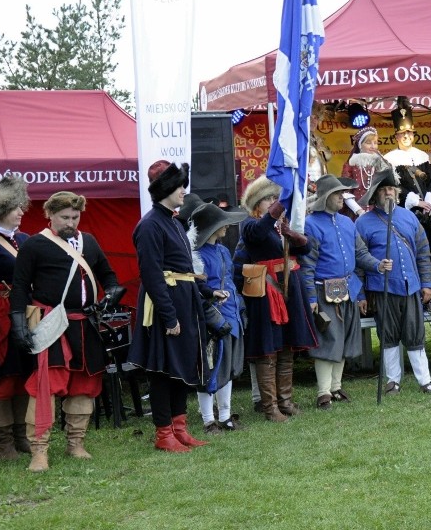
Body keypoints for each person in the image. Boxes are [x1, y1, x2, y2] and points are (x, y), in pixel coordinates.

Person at [9, 191, 121, 471]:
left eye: (75, 216)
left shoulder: (90, 242)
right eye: (64, 217)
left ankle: (76, 443)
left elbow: (109, 276)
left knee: (84, 385)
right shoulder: (34, 245)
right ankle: (39, 450)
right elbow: (20, 287)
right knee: (45, 385)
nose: (70, 222)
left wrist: (113, 293)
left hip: (84, 323)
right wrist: (19, 323)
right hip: (51, 323)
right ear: (50, 215)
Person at [128, 161, 218, 453]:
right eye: (179, 186)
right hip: (164, 306)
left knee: (182, 366)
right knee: (162, 371)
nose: (184, 190)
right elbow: (152, 274)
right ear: (166, 188)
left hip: (184, 301)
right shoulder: (150, 225)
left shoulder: (173, 221)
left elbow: (185, 269)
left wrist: (206, 291)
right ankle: (163, 434)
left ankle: (179, 429)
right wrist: (168, 317)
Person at [300, 175, 390, 410]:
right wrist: (311, 298)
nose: (343, 197)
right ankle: (323, 392)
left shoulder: (348, 223)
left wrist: (378, 265)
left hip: (348, 289)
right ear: (326, 197)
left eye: (343, 193)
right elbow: (307, 266)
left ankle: (336, 388)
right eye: (338, 194)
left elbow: (360, 253)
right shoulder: (311, 224)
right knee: (327, 340)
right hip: (323, 291)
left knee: (343, 340)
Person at [234, 176, 318, 422]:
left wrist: (291, 233)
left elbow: (305, 249)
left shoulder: (279, 226)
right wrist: (283, 202)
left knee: (286, 349)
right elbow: (259, 232)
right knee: (268, 351)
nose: (274, 203)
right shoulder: (250, 226)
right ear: (256, 204)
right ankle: (269, 406)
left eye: (275, 198)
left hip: (289, 291)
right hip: (266, 293)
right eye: (269, 199)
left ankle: (286, 401)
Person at [355, 169, 431, 395]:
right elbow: (358, 262)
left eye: (391, 188)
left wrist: (426, 283)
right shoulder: (363, 223)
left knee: (415, 334)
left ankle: (426, 382)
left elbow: (422, 251)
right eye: (383, 190)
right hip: (382, 289)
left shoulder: (409, 216)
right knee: (389, 334)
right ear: (375, 195)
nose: (388, 193)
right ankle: (393, 381)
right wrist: (361, 295)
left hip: (410, 286)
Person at [189, 201, 248, 433]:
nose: (227, 227)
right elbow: (196, 288)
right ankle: (207, 419)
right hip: (209, 317)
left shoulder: (223, 251)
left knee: (228, 367)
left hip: (231, 315)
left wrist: (238, 306)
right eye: (222, 223)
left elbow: (230, 280)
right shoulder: (195, 255)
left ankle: (224, 416)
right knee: (209, 368)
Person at [0, 176, 32, 461]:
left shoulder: (25, 240)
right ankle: (4, 445)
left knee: (23, 375)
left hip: (24, 314)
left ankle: (21, 436)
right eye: (16, 207)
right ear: (1, 209)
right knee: (0, 380)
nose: (22, 212)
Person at [383, 97, 431, 228]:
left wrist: (429, 201)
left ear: (414, 135)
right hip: (404, 211)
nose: (406, 136)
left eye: (409, 132)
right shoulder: (389, 158)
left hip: (428, 211)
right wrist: (416, 202)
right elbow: (393, 186)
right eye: (402, 133)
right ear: (396, 136)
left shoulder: (422, 156)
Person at [340, 126, 392, 217]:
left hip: (378, 213)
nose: (373, 146)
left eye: (375, 143)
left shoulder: (382, 165)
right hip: (356, 213)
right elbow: (345, 192)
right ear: (360, 145)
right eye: (368, 143)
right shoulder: (351, 165)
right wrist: (359, 211)